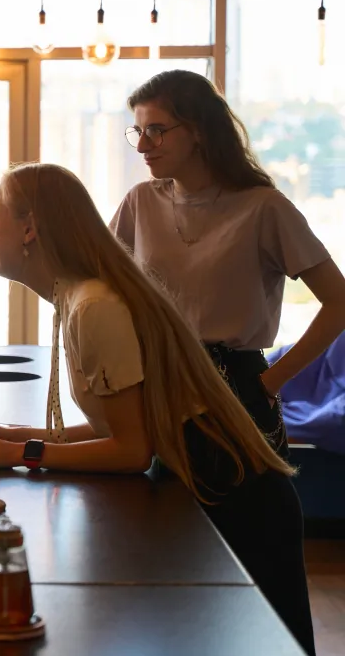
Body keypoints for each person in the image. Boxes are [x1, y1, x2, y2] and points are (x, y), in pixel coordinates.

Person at [0, 162, 316, 656]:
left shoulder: (93, 305)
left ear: (30, 228)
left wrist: (23, 453)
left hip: (239, 500)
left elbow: (132, 449)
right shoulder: (76, 296)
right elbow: (118, 427)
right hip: (208, 483)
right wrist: (19, 435)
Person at [112, 70, 345, 457]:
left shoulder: (264, 208)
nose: (142, 146)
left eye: (156, 129)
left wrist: (270, 383)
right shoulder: (139, 202)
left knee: (245, 514)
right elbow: (98, 286)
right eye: (137, 132)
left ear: (199, 131)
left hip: (237, 390)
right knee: (158, 513)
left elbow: (339, 301)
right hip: (157, 383)